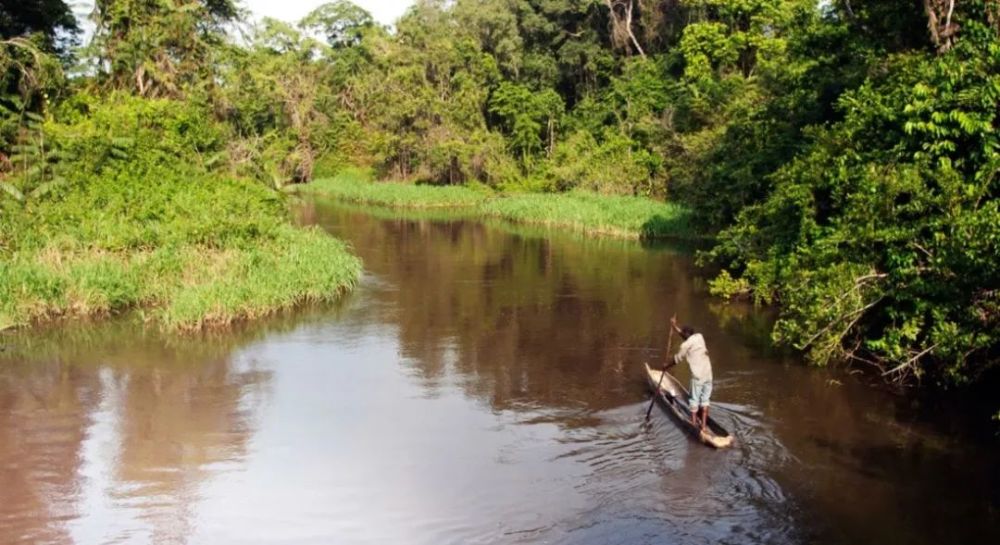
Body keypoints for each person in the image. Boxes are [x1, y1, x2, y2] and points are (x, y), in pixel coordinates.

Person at [664, 316, 713, 432]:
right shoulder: (699, 337)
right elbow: (685, 337)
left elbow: (676, 359)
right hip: (708, 374)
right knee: (705, 400)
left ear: (686, 335)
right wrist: (675, 327)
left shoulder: (685, 345)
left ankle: (694, 424)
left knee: (694, 400)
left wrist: (665, 366)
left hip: (698, 376)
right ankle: (704, 426)